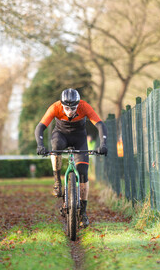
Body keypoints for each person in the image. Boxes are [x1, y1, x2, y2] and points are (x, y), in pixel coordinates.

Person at [35, 88, 108, 227]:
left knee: (83, 172)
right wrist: (40, 145)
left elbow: (100, 125)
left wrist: (103, 144)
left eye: (73, 108)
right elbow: (40, 127)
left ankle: (83, 213)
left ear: (78, 104)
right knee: (56, 145)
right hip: (61, 135)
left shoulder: (84, 106)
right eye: (66, 108)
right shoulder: (55, 107)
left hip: (79, 138)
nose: (69, 111)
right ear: (61, 105)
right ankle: (57, 182)